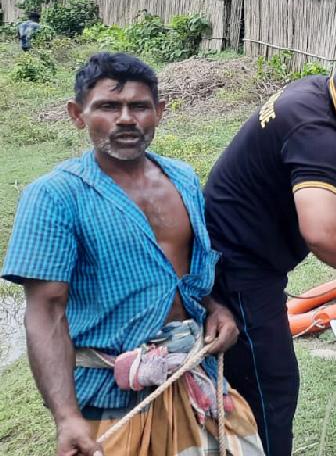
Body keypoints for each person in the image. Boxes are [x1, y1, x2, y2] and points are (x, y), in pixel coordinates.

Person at [2, 52, 264, 456]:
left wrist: (217, 308)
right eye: (108, 106)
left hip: (199, 377)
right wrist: (67, 417)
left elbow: (186, 276)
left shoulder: (183, 178)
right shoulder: (54, 197)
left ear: (159, 112)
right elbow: (45, 313)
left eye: (139, 106)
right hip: (113, 401)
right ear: (77, 114)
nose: (126, 118)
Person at [204, 37, 336, 455]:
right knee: (272, 383)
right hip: (238, 266)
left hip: (249, 259)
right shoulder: (314, 128)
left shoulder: (326, 98)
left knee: (257, 377)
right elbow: (321, 232)